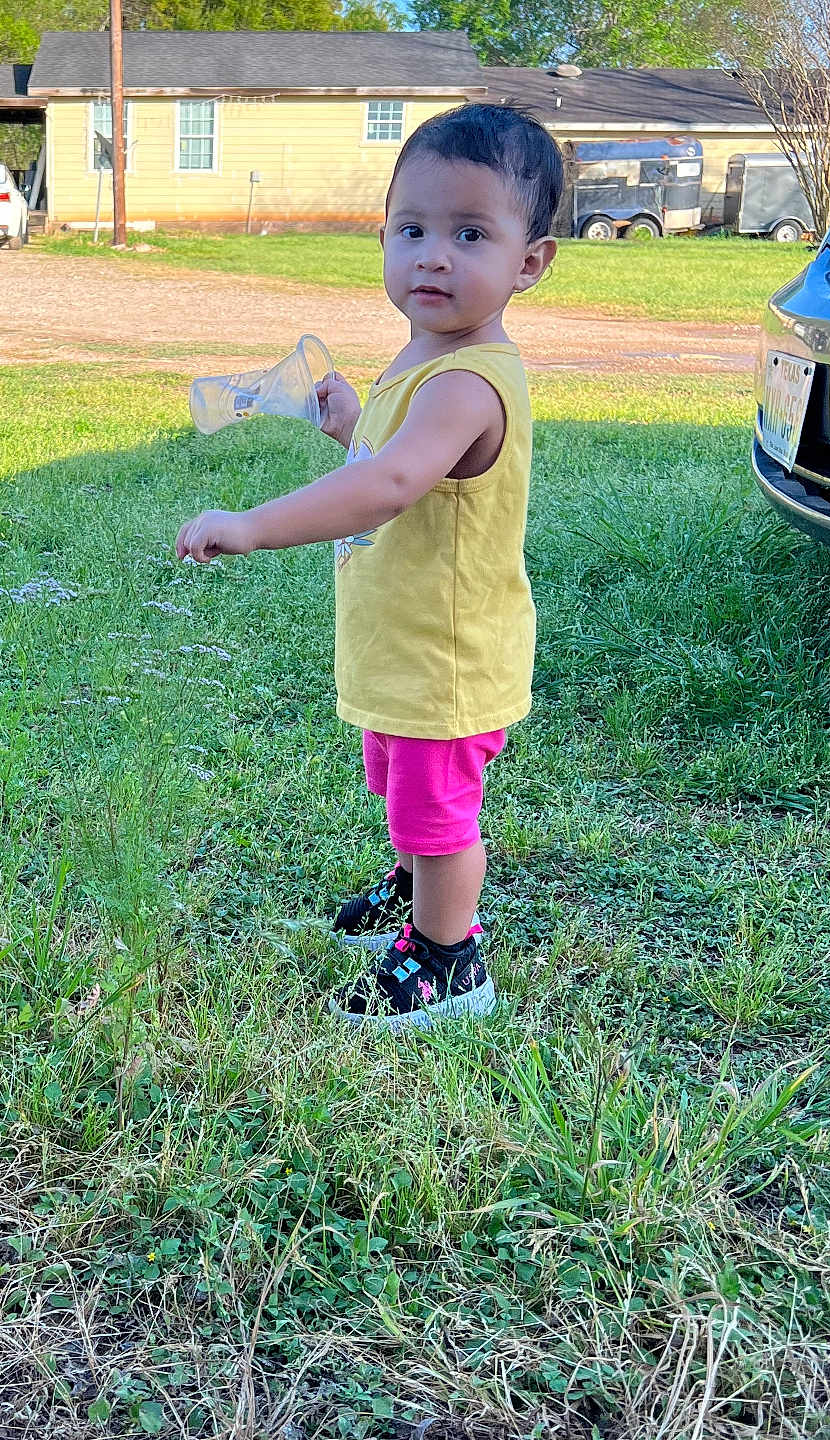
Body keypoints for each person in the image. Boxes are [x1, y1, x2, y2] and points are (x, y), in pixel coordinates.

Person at [175, 104, 563, 1032]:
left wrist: (255, 525)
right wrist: (350, 420)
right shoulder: (424, 361)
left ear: (530, 261)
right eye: (412, 229)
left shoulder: (471, 381)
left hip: (447, 650)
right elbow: (387, 453)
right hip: (404, 640)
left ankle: (448, 957)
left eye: (471, 233)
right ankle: (417, 890)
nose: (433, 254)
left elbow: (391, 485)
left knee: (438, 808)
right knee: (396, 780)